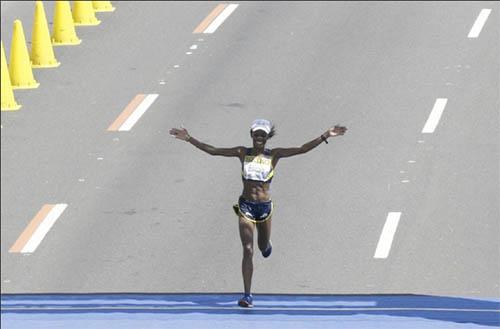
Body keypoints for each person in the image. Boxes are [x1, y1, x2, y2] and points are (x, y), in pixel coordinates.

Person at [169, 119, 347, 307]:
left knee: (262, 247)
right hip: (245, 206)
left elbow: (302, 149)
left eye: (263, 135)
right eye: (256, 134)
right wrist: (189, 138)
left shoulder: (274, 155)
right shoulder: (242, 152)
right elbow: (213, 150)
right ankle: (247, 295)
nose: (259, 138)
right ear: (251, 135)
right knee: (247, 249)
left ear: (267, 137)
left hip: (264, 208)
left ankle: (267, 244)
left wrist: (325, 135)